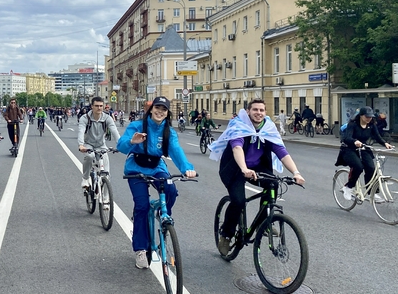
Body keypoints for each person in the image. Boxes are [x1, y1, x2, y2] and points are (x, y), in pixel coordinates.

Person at [211, 99, 305, 256]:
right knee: (238, 201)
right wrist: (244, 168)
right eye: (255, 109)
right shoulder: (239, 125)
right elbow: (237, 148)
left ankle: (263, 222)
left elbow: (281, 151)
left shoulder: (268, 129)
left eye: (262, 110)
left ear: (265, 113)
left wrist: (296, 172)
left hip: (258, 167)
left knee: (273, 185)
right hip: (236, 168)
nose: (258, 113)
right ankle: (226, 235)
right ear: (248, 111)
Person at [116, 96, 196, 269]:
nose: (160, 111)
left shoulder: (168, 131)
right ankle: (140, 250)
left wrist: (187, 168)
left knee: (171, 190)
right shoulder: (137, 126)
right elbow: (121, 145)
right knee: (142, 206)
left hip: (156, 166)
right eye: (157, 108)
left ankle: (161, 212)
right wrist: (132, 141)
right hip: (136, 167)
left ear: (167, 113)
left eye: (164, 109)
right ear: (151, 109)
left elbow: (176, 151)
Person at [337, 107, 393, 202]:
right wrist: (355, 141)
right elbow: (347, 137)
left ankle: (372, 193)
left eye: (370, 117)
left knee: (371, 168)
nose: (369, 118)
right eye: (367, 116)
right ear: (361, 116)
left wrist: (385, 143)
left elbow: (377, 136)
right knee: (358, 167)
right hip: (349, 149)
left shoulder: (371, 125)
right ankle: (348, 187)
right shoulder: (353, 124)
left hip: (363, 148)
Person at [78, 97, 120, 189]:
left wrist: (120, 144)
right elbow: (81, 131)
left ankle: (106, 200)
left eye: (101, 106)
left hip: (101, 145)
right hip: (89, 144)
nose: (99, 108)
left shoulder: (107, 118)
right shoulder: (85, 118)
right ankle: (85, 178)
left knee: (106, 174)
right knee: (90, 156)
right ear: (92, 106)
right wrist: (81, 145)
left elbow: (114, 131)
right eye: (96, 106)